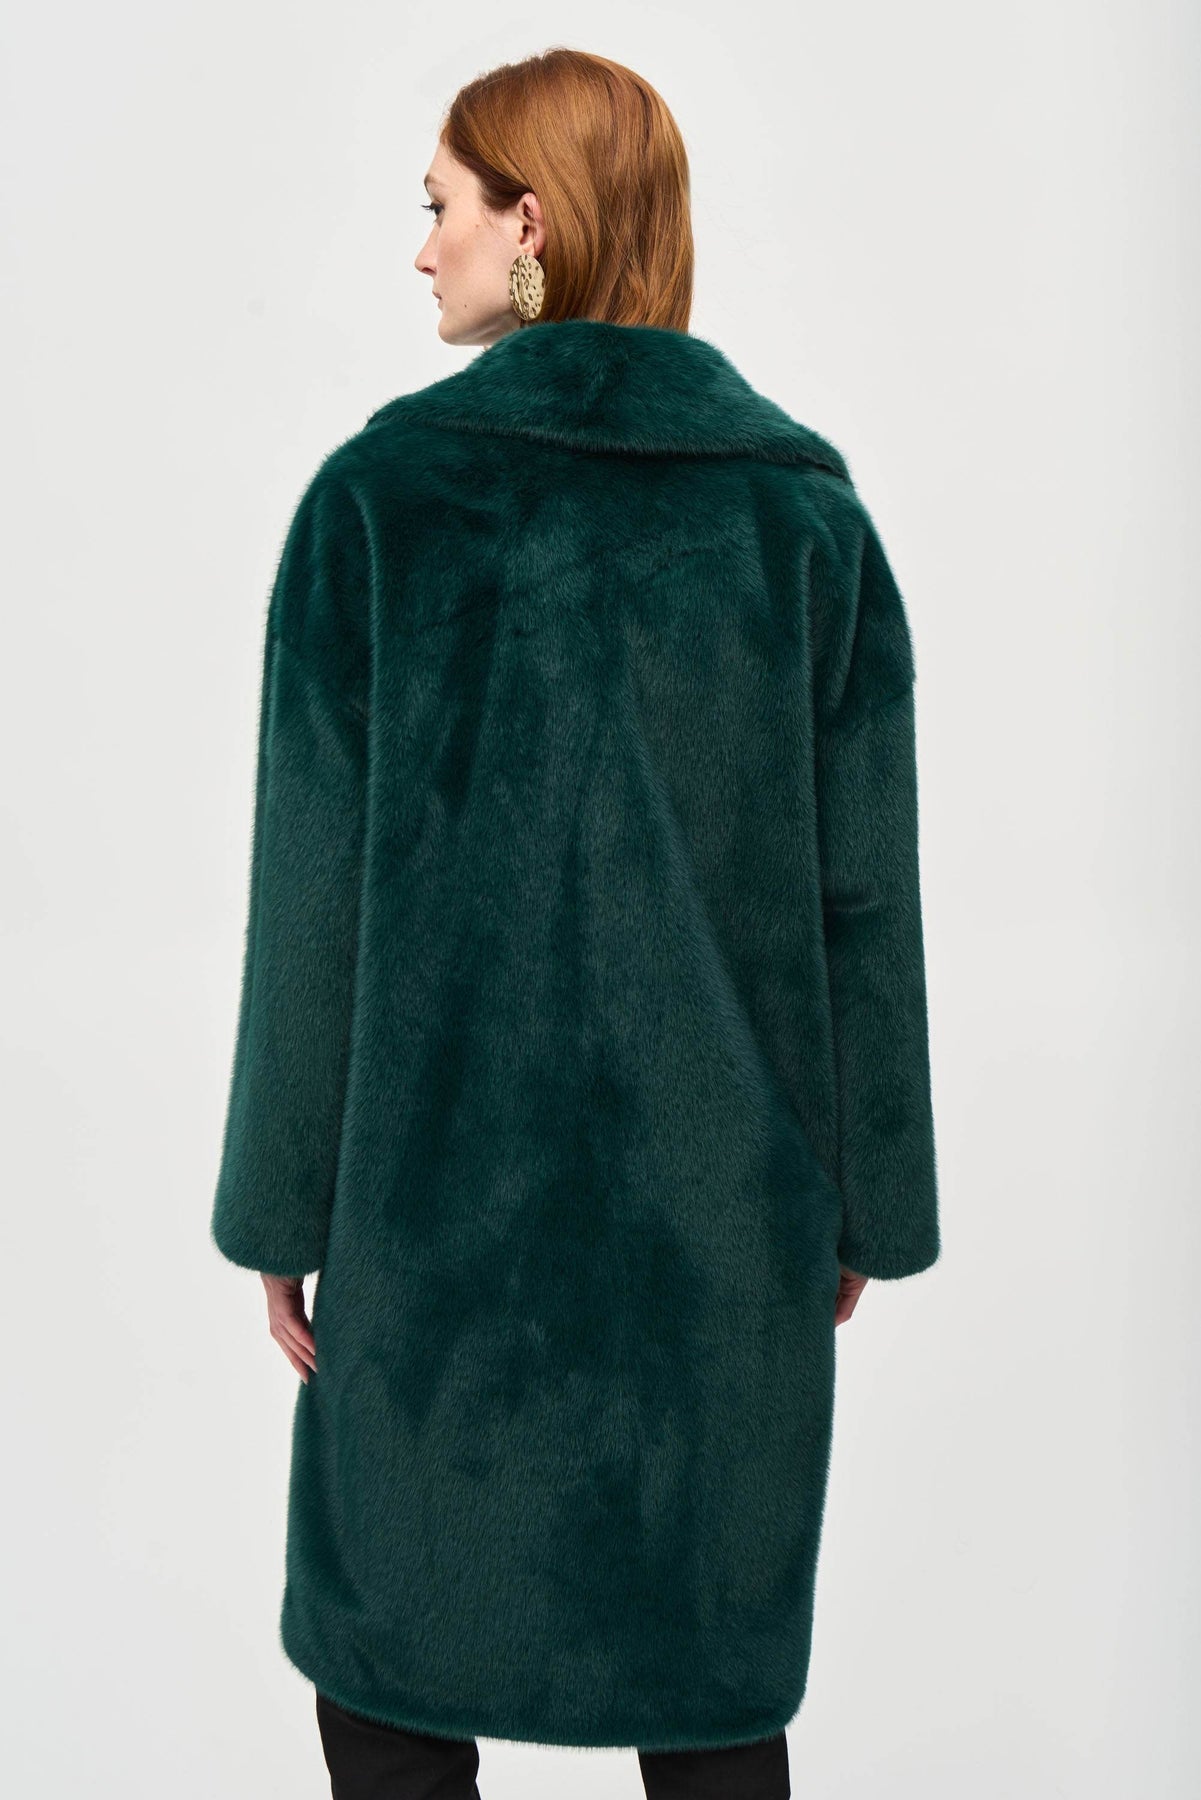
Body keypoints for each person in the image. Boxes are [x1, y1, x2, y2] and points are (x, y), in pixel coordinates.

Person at [211, 46, 940, 1800]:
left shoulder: (378, 507)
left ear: (529, 223)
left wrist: (279, 1211)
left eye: (441, 209)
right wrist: (868, 1200)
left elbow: (308, 900)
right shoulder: (799, 518)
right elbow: (863, 902)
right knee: (706, 1699)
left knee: (390, 1679)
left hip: (432, 1250)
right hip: (723, 1239)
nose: (423, 249)